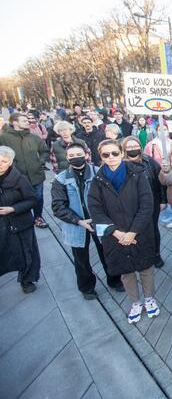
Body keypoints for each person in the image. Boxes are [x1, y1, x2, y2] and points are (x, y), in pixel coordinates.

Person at [88, 139, 159, 324]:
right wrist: (116, 233)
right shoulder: (97, 181)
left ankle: (150, 299)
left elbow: (146, 204)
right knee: (125, 271)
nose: (110, 157)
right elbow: (95, 210)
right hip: (115, 235)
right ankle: (135, 302)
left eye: (114, 153)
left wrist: (133, 232)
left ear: (121, 153)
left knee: (145, 267)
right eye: (105, 154)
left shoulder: (137, 173)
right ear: (101, 157)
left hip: (140, 231)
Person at [51, 142, 124, 298]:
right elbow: (58, 206)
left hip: (99, 220)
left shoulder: (99, 172)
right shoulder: (61, 179)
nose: (76, 158)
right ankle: (87, 287)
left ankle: (115, 280)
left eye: (79, 154)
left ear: (86, 155)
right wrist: (78, 220)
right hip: (76, 223)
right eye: (71, 156)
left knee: (107, 252)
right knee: (81, 258)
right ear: (67, 158)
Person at [0, 146, 41, 294]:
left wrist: (13, 209)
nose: (0, 164)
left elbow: (32, 199)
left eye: (4, 161)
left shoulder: (19, 179)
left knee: (27, 252)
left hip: (20, 222)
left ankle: (27, 280)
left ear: (10, 162)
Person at [122, 135, 166, 268]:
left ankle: (156, 254)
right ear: (124, 149)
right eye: (129, 147)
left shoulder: (149, 161)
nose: (132, 149)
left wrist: (163, 200)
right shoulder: (120, 164)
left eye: (135, 146)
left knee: (153, 229)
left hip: (152, 201)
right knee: (135, 230)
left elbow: (160, 181)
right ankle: (140, 255)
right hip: (130, 205)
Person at [0, 112, 49, 228]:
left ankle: (38, 217)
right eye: (24, 120)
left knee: (38, 197)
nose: (28, 122)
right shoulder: (4, 138)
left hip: (36, 174)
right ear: (15, 122)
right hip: (14, 177)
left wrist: (40, 162)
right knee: (19, 198)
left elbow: (44, 151)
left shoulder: (33, 137)